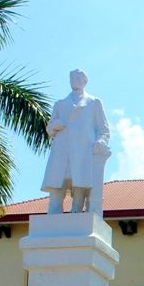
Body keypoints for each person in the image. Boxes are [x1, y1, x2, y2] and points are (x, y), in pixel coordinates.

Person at [41, 69, 111, 215]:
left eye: (79, 78)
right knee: (57, 184)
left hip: (83, 150)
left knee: (80, 184)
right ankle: (53, 215)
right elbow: (49, 129)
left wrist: (100, 141)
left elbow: (103, 129)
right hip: (62, 150)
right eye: (73, 78)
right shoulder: (60, 104)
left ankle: (76, 212)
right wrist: (55, 125)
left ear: (85, 82)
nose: (75, 80)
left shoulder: (93, 103)